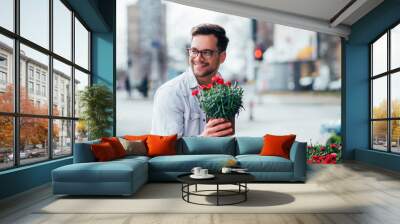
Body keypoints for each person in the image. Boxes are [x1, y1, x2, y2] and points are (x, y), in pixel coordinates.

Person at [151, 24, 233, 137]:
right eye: (194, 51)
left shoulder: (225, 92)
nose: (198, 58)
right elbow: (166, 150)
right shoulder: (170, 92)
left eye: (206, 52)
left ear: (222, 57)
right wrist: (204, 139)